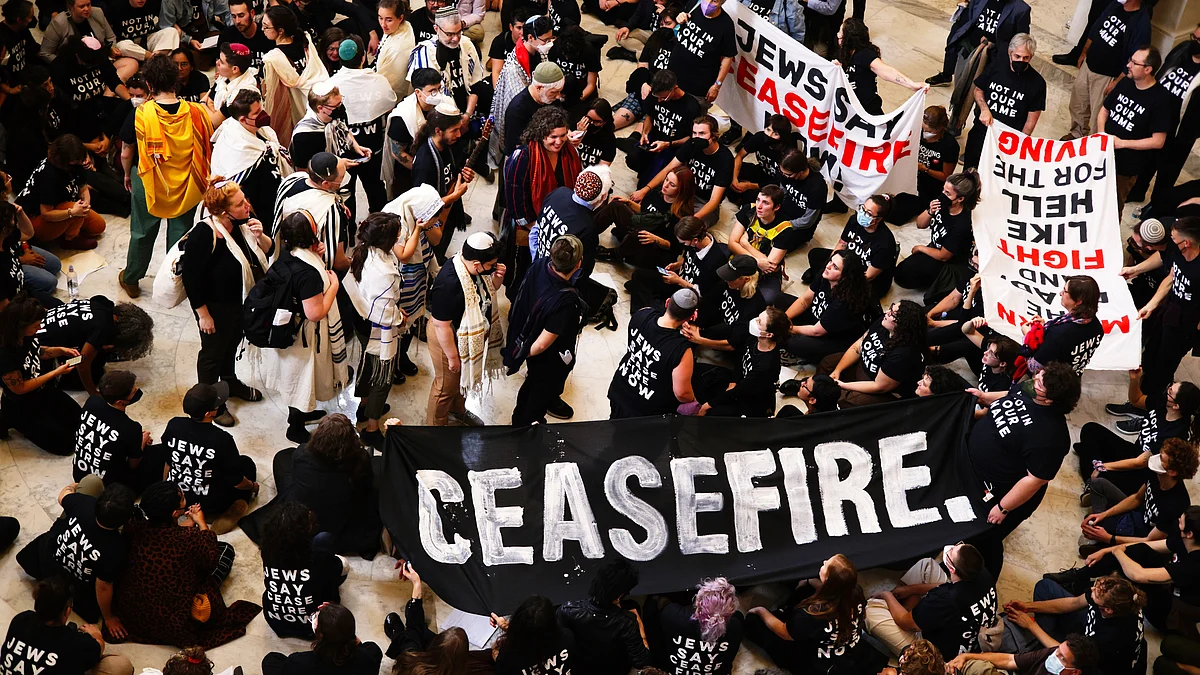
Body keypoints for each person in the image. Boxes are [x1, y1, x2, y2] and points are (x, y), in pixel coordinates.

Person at [965, 362, 1082, 576]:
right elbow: (1009, 396)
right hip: (975, 472)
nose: (1033, 380)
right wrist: (984, 396)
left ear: (1049, 400)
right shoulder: (1029, 389)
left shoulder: (1052, 437)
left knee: (985, 540)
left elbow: (1035, 480)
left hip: (1001, 493)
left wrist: (1002, 507)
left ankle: (984, 580)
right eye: (1038, 376)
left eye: (1039, 382)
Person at [111, 481, 260, 649]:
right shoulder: (189, 539)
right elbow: (210, 559)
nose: (185, 498)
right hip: (174, 620)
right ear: (175, 513)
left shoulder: (134, 526)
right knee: (225, 551)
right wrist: (202, 523)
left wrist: (185, 525)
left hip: (135, 615)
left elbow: (163, 537)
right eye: (182, 498)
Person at [119, 53, 213, 299]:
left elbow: (127, 152)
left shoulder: (141, 114)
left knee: (141, 233)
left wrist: (127, 174)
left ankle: (132, 279)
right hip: (187, 182)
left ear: (149, 84)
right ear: (176, 80)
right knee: (180, 235)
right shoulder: (196, 112)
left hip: (149, 179)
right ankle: (173, 282)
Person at [184, 178, 272, 426]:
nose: (247, 206)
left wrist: (260, 235)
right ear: (224, 212)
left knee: (232, 344)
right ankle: (212, 401)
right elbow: (192, 278)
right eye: (240, 204)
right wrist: (203, 315)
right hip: (214, 308)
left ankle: (230, 381)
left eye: (244, 200)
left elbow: (269, 248)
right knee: (212, 354)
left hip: (240, 302)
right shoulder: (205, 233)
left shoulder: (243, 224)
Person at [259, 209, 349, 443]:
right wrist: (333, 287)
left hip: (290, 328)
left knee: (298, 379)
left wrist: (316, 254)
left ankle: (304, 412)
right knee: (300, 380)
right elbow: (316, 312)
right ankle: (295, 427)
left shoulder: (288, 254)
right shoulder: (307, 274)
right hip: (303, 337)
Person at [16, 482, 134, 632]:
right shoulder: (116, 547)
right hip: (76, 590)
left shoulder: (84, 504)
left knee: (91, 481)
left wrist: (72, 487)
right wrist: (109, 617)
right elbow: (103, 587)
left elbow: (61, 497)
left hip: (46, 562)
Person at [745, 554, 880, 674]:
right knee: (806, 587)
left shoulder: (815, 614)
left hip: (816, 658)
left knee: (752, 622)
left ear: (827, 579)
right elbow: (832, 592)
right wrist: (809, 581)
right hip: (842, 641)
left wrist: (761, 611)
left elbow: (784, 633)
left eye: (825, 565)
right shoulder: (856, 592)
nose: (824, 562)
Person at [272, 414, 382, 559]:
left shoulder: (302, 454)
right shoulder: (361, 459)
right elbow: (366, 487)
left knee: (282, 458)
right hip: (345, 520)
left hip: (309, 518)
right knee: (379, 466)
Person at [504, 235, 586, 425]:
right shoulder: (564, 302)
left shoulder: (541, 264)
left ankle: (519, 417)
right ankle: (527, 427)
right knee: (538, 392)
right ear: (578, 264)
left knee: (531, 384)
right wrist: (526, 354)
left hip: (526, 332)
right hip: (546, 357)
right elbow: (542, 345)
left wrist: (521, 349)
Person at [865, 542, 997, 658]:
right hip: (964, 632)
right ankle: (910, 609)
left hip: (936, 655)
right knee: (926, 565)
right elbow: (949, 587)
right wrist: (911, 590)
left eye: (951, 552)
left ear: (952, 569)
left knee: (871, 611)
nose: (950, 548)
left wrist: (886, 595)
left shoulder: (945, 599)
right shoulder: (981, 573)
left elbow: (903, 622)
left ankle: (907, 611)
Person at [342, 213, 408, 447]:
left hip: (360, 319)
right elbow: (385, 311)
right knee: (383, 375)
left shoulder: (364, 250)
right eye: (398, 232)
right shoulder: (385, 273)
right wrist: (400, 318)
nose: (401, 234)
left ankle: (363, 405)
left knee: (367, 363)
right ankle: (371, 427)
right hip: (377, 327)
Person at [427, 231, 505, 426]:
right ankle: (435, 427)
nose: (493, 267)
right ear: (477, 264)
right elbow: (441, 324)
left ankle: (458, 411)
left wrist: (497, 277)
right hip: (447, 337)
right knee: (446, 387)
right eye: (490, 265)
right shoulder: (449, 283)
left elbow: (489, 291)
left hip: (466, 335)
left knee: (464, 377)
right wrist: (453, 357)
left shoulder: (473, 268)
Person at [502, 106, 582, 291]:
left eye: (563, 135)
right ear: (540, 134)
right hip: (528, 227)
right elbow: (515, 201)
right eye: (553, 137)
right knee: (522, 275)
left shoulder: (569, 154)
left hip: (556, 229)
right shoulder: (523, 157)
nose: (559, 141)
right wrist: (539, 229)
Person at [162, 382, 259, 533]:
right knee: (246, 464)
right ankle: (235, 507)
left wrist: (166, 489)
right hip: (209, 501)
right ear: (209, 413)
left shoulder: (174, 424)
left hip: (179, 496)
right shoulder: (222, 439)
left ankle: (187, 515)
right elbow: (237, 481)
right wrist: (252, 486)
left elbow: (168, 462)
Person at [1079, 437, 1197, 558]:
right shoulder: (1156, 474)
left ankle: (1105, 545)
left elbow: (1150, 541)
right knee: (1098, 484)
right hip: (1136, 514)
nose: (1155, 458)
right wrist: (1103, 515)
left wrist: (1109, 538)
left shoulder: (1176, 504)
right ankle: (1102, 532)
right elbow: (1136, 498)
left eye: (1161, 458)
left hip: (1142, 534)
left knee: (1094, 525)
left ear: (1172, 472)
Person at [1078, 380, 1200, 496]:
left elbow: (1140, 462)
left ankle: (1092, 477)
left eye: (1171, 391)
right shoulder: (1162, 402)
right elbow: (1136, 400)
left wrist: (1106, 466)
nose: (1168, 389)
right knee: (1090, 429)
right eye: (1171, 386)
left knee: (1101, 475)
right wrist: (1134, 379)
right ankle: (1092, 469)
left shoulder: (1175, 435)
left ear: (1176, 406)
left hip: (1141, 474)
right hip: (1133, 452)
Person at [1005, 575, 1145, 675]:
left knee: (1051, 658)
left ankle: (1037, 642)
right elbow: (1074, 603)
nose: (1091, 592)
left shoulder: (1108, 639)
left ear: (1108, 609)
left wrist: (1030, 625)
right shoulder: (1116, 595)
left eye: (1094, 597)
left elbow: (1069, 655)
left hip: (1094, 663)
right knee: (1045, 586)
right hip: (1086, 631)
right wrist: (1028, 607)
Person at [0, 294, 83, 455]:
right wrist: (55, 373)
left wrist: (58, 350)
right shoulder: (5, 354)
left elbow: (37, 351)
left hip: (42, 391)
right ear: (20, 326)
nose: (39, 328)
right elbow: (20, 388)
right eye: (36, 325)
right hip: (21, 404)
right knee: (66, 445)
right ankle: (10, 419)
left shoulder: (26, 336)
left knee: (81, 420)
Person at [0, 577, 134, 675]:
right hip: (77, 650)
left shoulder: (21, 620)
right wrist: (95, 634)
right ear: (67, 611)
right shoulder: (75, 643)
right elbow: (99, 647)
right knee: (121, 666)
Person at [381, 185, 444, 382]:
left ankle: (402, 356)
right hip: (400, 277)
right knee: (399, 319)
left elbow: (436, 240)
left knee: (413, 315)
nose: (436, 222)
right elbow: (404, 256)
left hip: (417, 274)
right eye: (433, 218)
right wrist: (419, 228)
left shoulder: (420, 213)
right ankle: (392, 361)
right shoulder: (394, 219)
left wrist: (428, 225)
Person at [1063, 0, 1151, 141]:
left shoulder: (1141, 23)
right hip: (1089, 64)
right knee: (1078, 102)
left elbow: (1134, 57)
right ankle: (1076, 134)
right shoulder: (1114, 5)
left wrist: (1117, 82)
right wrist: (1084, 52)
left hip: (1107, 75)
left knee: (1097, 115)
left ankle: (1092, 145)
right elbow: (1096, 28)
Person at [1100, 45, 1173, 214]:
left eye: (1134, 63)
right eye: (1130, 60)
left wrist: (1122, 143)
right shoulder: (1126, 82)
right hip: (1102, 153)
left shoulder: (1161, 100)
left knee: (1111, 208)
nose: (1128, 65)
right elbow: (1104, 110)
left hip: (1125, 166)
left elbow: (1158, 141)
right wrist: (1102, 134)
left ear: (1148, 69)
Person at [259, 501, 348, 638]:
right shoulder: (318, 553)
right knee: (341, 563)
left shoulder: (267, 551)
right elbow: (338, 569)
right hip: (316, 626)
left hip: (276, 623)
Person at [815, 299, 927, 407]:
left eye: (892, 314)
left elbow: (879, 386)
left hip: (881, 387)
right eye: (891, 308)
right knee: (828, 364)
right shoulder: (884, 322)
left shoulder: (903, 354)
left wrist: (844, 385)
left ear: (903, 325)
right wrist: (837, 370)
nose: (887, 313)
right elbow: (858, 346)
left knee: (849, 400)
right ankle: (815, 396)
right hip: (864, 367)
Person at [36, 295, 154, 397]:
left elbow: (85, 328)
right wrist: (92, 392)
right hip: (39, 349)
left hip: (42, 325)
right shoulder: (103, 329)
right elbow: (82, 364)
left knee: (98, 352)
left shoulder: (103, 304)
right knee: (97, 373)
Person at [328, 37, 395, 216]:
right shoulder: (378, 80)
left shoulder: (331, 85)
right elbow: (390, 103)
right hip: (372, 145)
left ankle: (348, 229)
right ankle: (380, 225)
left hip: (344, 149)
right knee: (375, 186)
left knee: (345, 190)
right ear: (363, 57)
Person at [608, 288, 697, 418]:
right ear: (690, 317)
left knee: (614, 426)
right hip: (644, 409)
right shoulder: (681, 350)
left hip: (621, 386)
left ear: (667, 303)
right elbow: (682, 393)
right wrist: (693, 400)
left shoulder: (643, 313)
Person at [1141, 23, 1200, 217]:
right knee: (1147, 162)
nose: (1194, 43)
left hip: (1182, 131)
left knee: (1167, 173)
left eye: (1199, 41)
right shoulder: (1182, 49)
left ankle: (1156, 205)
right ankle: (1138, 190)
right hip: (1157, 119)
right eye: (1193, 37)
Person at [963, 34, 1045, 169]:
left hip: (1007, 142)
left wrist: (1019, 145)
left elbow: (1031, 121)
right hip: (981, 132)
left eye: (1026, 58)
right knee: (969, 170)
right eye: (1017, 56)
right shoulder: (997, 66)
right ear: (1009, 52)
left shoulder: (1037, 83)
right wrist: (984, 109)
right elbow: (978, 90)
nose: (1021, 61)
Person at [782, 251, 877, 366]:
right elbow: (805, 300)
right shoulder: (825, 274)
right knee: (780, 301)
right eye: (831, 261)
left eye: (835, 267)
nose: (828, 266)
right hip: (818, 318)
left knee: (793, 343)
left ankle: (804, 356)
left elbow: (816, 331)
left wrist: (785, 328)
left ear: (845, 276)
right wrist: (783, 319)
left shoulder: (844, 302)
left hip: (831, 338)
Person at [557, 561, 651, 675]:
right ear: (620, 595)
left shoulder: (568, 610)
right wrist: (640, 626)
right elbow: (641, 661)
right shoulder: (627, 622)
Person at [692, 307, 789, 417]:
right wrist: (732, 382)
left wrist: (708, 405)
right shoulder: (754, 338)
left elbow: (741, 390)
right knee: (699, 374)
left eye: (759, 322)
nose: (755, 321)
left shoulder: (766, 366)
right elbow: (741, 359)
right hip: (740, 382)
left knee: (712, 413)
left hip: (752, 401)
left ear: (768, 334)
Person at [636, 116, 733, 225]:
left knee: (684, 228)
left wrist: (693, 219)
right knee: (652, 207)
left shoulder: (725, 159)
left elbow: (714, 200)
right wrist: (645, 190)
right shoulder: (691, 144)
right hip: (683, 190)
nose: (697, 137)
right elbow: (669, 169)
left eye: (702, 134)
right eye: (694, 133)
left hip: (703, 201)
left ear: (714, 136)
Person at [488, 15, 556, 168]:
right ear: (530, 37)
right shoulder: (514, 66)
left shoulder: (539, 51)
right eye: (546, 40)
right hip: (520, 114)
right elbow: (517, 100)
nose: (549, 44)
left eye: (551, 39)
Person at [208, 90, 288, 220]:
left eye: (261, 109)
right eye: (257, 113)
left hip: (275, 197)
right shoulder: (236, 147)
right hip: (260, 210)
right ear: (243, 119)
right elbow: (235, 191)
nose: (263, 115)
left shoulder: (263, 131)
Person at [594, 167, 694, 269]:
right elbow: (646, 212)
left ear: (681, 190)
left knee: (639, 234)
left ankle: (614, 254)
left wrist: (655, 239)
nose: (666, 185)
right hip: (641, 227)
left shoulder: (681, 214)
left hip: (653, 246)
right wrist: (629, 203)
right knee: (616, 205)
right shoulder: (658, 192)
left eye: (672, 185)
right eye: (666, 179)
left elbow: (675, 247)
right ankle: (589, 232)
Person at [18, 134, 107, 250]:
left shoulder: (76, 164)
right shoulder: (48, 175)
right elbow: (46, 213)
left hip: (63, 207)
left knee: (98, 226)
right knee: (75, 209)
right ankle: (69, 239)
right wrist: (73, 212)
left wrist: (86, 205)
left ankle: (66, 229)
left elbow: (83, 188)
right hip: (35, 219)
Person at [272, 153, 353, 277]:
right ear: (325, 184)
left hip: (286, 255)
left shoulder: (291, 180)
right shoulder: (331, 210)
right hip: (312, 269)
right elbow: (338, 261)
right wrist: (353, 261)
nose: (345, 179)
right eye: (342, 177)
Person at [894, 172, 979, 289]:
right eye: (943, 190)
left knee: (908, 275)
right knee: (902, 270)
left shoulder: (961, 225)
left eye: (948, 193)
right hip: (935, 248)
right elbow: (920, 224)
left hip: (948, 262)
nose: (943, 195)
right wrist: (930, 211)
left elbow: (943, 256)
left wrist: (921, 248)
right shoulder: (942, 205)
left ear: (960, 199)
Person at [260, 5, 330, 147]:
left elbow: (272, 95)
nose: (262, 30)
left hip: (300, 109)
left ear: (280, 31)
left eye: (266, 27)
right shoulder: (305, 39)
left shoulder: (273, 59)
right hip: (322, 95)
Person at [924, 0, 1031, 90]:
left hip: (994, 54)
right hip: (969, 46)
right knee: (960, 84)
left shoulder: (1021, 9)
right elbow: (970, 17)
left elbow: (1020, 39)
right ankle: (946, 75)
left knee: (981, 90)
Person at [644, 578, 743, 675]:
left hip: (671, 670)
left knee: (651, 604)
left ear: (696, 602)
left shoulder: (675, 617)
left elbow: (663, 601)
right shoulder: (735, 625)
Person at [807, 193, 897, 300]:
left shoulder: (885, 243)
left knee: (847, 296)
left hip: (867, 278)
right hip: (849, 262)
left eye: (868, 213)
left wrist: (840, 279)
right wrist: (829, 264)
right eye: (862, 209)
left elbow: (869, 275)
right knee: (815, 255)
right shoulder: (854, 220)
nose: (862, 214)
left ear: (878, 219)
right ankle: (822, 276)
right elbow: (841, 245)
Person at [73, 370, 151, 491]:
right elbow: (133, 464)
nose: (137, 391)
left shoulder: (92, 401)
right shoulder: (131, 427)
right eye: (134, 392)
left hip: (80, 474)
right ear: (120, 402)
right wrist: (142, 441)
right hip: (107, 487)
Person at [411, 102, 473, 251]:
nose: (459, 134)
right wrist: (454, 196)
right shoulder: (424, 163)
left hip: (448, 210)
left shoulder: (448, 144)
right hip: (434, 219)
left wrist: (463, 174)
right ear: (438, 131)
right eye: (454, 130)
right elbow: (422, 207)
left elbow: (451, 170)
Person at [405, 9, 485, 124]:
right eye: (449, 34)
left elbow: (476, 84)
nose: (456, 38)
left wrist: (467, 115)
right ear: (436, 29)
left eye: (458, 32)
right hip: (438, 118)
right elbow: (428, 99)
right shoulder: (425, 53)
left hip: (466, 111)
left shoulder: (467, 45)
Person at [834, 19, 925, 116]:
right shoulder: (844, 53)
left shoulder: (865, 55)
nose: (838, 35)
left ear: (848, 38)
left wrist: (911, 84)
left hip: (867, 110)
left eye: (840, 32)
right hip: (850, 107)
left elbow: (885, 71)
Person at [262, 603, 384, 675]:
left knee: (271, 660)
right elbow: (360, 646)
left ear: (320, 635)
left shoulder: (298, 662)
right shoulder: (370, 655)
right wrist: (338, 618)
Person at [626, 70, 701, 185]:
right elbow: (650, 117)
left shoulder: (691, 108)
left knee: (648, 183)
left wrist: (669, 144)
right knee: (633, 159)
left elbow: (691, 138)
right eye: (658, 97)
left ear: (674, 88)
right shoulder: (655, 96)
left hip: (673, 147)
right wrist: (645, 133)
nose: (660, 100)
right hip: (654, 138)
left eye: (664, 98)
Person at [888, 106, 959, 225]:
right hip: (912, 178)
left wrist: (925, 169)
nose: (925, 134)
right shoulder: (917, 132)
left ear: (939, 129)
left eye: (929, 132)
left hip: (931, 186)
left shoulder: (949, 145)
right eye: (924, 129)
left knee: (898, 216)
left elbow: (945, 176)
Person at [727, 185, 797, 306]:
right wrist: (757, 261)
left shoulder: (785, 229)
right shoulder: (749, 209)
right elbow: (732, 243)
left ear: (776, 207)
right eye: (758, 200)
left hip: (766, 273)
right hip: (743, 259)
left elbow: (770, 265)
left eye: (765, 203)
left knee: (767, 299)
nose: (759, 206)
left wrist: (745, 244)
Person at [1021, 276, 1104, 376]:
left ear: (1078, 301)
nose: (1060, 293)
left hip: (1050, 386)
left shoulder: (1058, 334)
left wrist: (1029, 335)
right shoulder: (1097, 326)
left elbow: (1033, 366)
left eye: (1065, 291)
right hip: (1072, 381)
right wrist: (1045, 330)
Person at [383, 67, 444, 199]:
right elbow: (398, 152)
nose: (437, 94)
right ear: (418, 92)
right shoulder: (403, 117)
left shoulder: (441, 105)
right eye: (432, 91)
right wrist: (423, 170)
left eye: (439, 88)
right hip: (411, 171)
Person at [665, 0, 735, 109]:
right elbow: (678, 22)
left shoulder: (726, 25)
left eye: (715, 1)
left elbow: (728, 56)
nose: (708, 2)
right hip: (672, 75)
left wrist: (717, 85)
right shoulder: (694, 4)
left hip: (697, 87)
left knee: (694, 122)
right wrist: (680, 17)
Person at [0, 196, 61, 311]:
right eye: (13, 221)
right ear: (5, 229)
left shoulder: (6, 238)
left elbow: (28, 233)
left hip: (23, 293)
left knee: (62, 308)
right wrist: (36, 313)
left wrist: (20, 213)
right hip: (15, 310)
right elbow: (6, 310)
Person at [491, 595, 577, 675]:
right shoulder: (568, 637)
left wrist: (508, 628)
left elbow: (501, 663)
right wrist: (506, 627)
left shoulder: (508, 657)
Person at [944, 634, 1099, 675]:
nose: (1054, 655)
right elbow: (1009, 660)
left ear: (1075, 672)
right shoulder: (1052, 653)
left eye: (1062, 658)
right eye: (1058, 650)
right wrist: (968, 656)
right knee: (973, 666)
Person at [502, 61, 566, 159]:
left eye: (560, 91)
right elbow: (514, 147)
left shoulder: (551, 99)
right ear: (539, 87)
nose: (558, 96)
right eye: (554, 92)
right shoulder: (517, 109)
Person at [39, 0, 118, 64]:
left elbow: (111, 37)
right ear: (71, 7)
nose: (87, 9)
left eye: (88, 4)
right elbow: (45, 53)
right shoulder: (59, 23)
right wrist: (65, 65)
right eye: (82, 6)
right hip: (73, 68)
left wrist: (111, 49)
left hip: (100, 60)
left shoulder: (98, 12)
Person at [204, 42, 259, 125]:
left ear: (235, 69)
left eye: (221, 62)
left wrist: (202, 104)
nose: (217, 63)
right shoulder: (224, 78)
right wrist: (213, 112)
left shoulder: (242, 94)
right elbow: (210, 101)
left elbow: (214, 122)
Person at [374, 0, 417, 98]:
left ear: (401, 18)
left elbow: (389, 87)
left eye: (389, 20)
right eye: (380, 18)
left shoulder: (398, 49)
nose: (383, 24)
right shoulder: (402, 26)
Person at [219, 0, 273, 72]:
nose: (237, 21)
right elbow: (219, 66)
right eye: (234, 16)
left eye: (241, 16)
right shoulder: (227, 36)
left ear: (252, 13)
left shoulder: (267, 35)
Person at [576, 99, 616, 167]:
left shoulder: (609, 140)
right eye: (589, 119)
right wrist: (578, 134)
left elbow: (601, 170)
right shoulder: (575, 126)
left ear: (605, 121)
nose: (592, 123)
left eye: (597, 122)